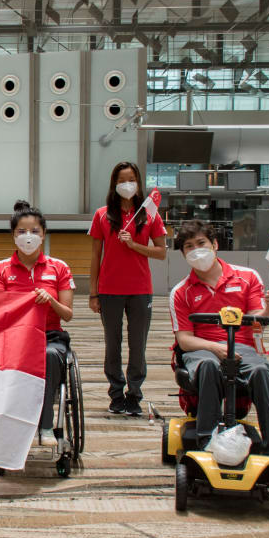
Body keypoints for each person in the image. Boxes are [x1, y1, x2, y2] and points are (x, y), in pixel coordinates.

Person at [169, 220, 269, 469]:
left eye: (201, 243)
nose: (196, 250)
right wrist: (215, 348)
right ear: (183, 255)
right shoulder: (181, 292)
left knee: (261, 372)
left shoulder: (247, 277)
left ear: (215, 245)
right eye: (189, 247)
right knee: (209, 367)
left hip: (244, 347)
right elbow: (184, 339)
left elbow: (258, 322)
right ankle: (206, 443)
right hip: (202, 349)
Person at [0, 200, 75, 448]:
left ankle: (46, 425)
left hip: (50, 337)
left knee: (47, 356)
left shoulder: (59, 268)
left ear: (44, 234)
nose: (29, 236)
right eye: (22, 231)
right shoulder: (0, 270)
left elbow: (67, 314)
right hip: (14, 338)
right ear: (13, 236)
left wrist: (50, 302)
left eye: (35, 231)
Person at [89, 161, 166, 416]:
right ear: (114, 184)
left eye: (131, 179)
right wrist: (93, 292)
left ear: (138, 182)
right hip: (110, 290)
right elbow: (95, 255)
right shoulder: (102, 215)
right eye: (121, 180)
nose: (127, 184)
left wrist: (134, 245)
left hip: (140, 290)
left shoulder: (150, 214)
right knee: (113, 344)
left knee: (137, 344)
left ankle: (134, 394)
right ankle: (115, 393)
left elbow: (161, 252)